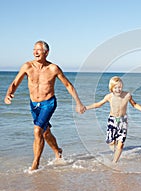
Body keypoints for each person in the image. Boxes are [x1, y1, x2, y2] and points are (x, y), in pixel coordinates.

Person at [4, 40, 86, 170]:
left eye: (38, 50)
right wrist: (9, 93)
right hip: (34, 104)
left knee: (37, 130)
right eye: (34, 49)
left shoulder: (53, 68)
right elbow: (15, 82)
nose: (35, 52)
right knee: (45, 132)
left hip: (48, 103)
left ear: (46, 52)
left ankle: (35, 164)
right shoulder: (27, 66)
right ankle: (58, 151)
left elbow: (68, 85)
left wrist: (78, 102)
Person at [85, 76, 141, 163]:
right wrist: (86, 107)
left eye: (120, 87)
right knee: (111, 142)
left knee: (121, 144)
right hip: (112, 121)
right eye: (115, 87)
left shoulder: (127, 95)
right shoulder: (109, 96)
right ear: (111, 88)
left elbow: (134, 105)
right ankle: (113, 145)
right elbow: (99, 104)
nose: (118, 89)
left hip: (123, 121)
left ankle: (114, 162)